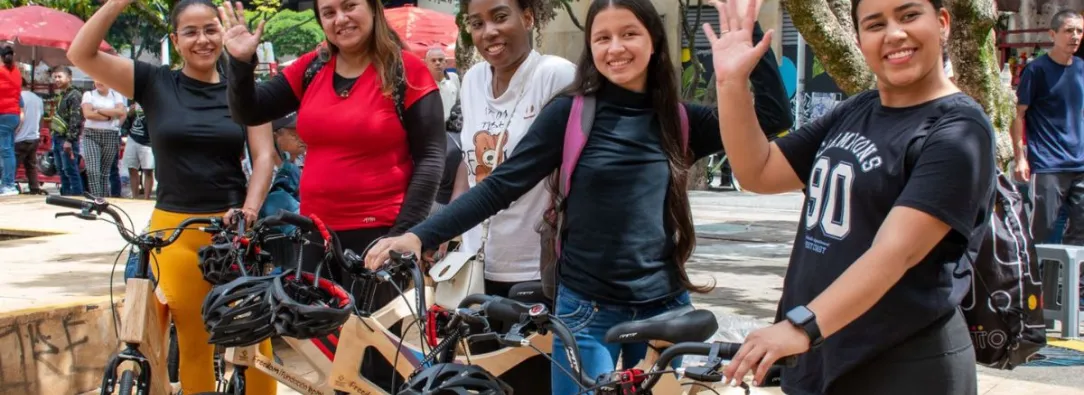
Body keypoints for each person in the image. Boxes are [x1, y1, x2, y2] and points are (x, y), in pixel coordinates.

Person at [363, 0, 792, 392]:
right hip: (586, 311)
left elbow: (772, 118)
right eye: (602, 38)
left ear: (654, 42)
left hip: (665, 310)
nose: (615, 48)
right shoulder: (570, 114)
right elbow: (500, 185)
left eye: (629, 34)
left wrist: (749, 46)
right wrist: (419, 236)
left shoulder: (679, 119)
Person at [705, 0, 992, 393]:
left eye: (909, 16)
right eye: (875, 24)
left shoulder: (958, 130)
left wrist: (801, 325)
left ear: (941, 22)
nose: (894, 34)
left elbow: (894, 252)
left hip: (902, 363)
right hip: (824, 350)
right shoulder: (858, 108)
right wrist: (732, 85)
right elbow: (759, 171)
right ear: (859, 40)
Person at [219, 0, 444, 389]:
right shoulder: (312, 68)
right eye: (328, 12)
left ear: (373, 9)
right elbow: (249, 110)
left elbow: (432, 159)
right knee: (326, 356)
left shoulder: (408, 72)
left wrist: (402, 237)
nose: (340, 19)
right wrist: (240, 63)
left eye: (350, 6)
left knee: (377, 363)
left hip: (380, 240)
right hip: (317, 237)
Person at [67, 0, 278, 393]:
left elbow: (264, 155)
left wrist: (249, 210)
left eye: (211, 29)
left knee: (253, 338)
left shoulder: (244, 87)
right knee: (195, 340)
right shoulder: (153, 81)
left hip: (233, 231)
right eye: (191, 31)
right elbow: (80, 53)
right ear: (175, 40)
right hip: (174, 231)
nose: (203, 40)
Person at [1013, 10, 1084, 246]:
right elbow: (1019, 114)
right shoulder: (1036, 70)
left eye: (1079, 31)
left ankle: (1076, 283)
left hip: (1080, 163)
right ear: (1052, 34)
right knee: (1041, 234)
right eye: (1069, 30)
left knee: (1080, 233)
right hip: (1048, 165)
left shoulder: (1082, 68)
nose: (1075, 36)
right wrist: (1020, 157)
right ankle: (1037, 282)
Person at [80, 80, 127, 197]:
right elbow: (88, 114)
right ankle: (96, 198)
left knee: (105, 172)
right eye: (96, 79)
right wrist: (109, 116)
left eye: (102, 79)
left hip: (110, 134)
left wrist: (99, 110)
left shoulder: (116, 95)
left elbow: (121, 112)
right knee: (92, 170)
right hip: (91, 134)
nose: (99, 81)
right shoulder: (88, 94)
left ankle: (103, 198)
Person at [48, 66, 86, 197]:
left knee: (70, 170)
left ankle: (76, 196)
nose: (57, 79)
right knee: (61, 170)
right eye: (55, 77)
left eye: (60, 76)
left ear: (69, 78)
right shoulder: (62, 95)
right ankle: (66, 196)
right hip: (57, 137)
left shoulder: (74, 95)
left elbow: (75, 120)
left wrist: (69, 140)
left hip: (67, 139)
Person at [121, 101, 154, 199]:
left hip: (148, 140)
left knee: (148, 170)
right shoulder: (137, 101)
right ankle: (134, 197)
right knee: (132, 168)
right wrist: (130, 113)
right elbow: (129, 119)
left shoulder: (155, 101)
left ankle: (146, 198)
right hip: (133, 136)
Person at [16, 84, 45, 195]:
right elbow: (41, 120)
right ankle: (34, 188)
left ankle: (8, 186)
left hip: (20, 137)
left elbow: (19, 117)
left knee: (12, 164)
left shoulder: (19, 97)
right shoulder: (37, 98)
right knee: (31, 165)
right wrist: (38, 132)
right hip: (34, 137)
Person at [0, 41, 21, 196]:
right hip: (13, 114)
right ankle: (8, 183)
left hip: (3, 113)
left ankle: (8, 184)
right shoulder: (15, 72)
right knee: (9, 150)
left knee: (6, 150)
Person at [425, 47, 459, 121]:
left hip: (452, 127)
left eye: (440, 60)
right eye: (433, 60)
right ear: (426, 64)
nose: (437, 63)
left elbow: (459, 101)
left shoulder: (454, 78)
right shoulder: (422, 83)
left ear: (445, 62)